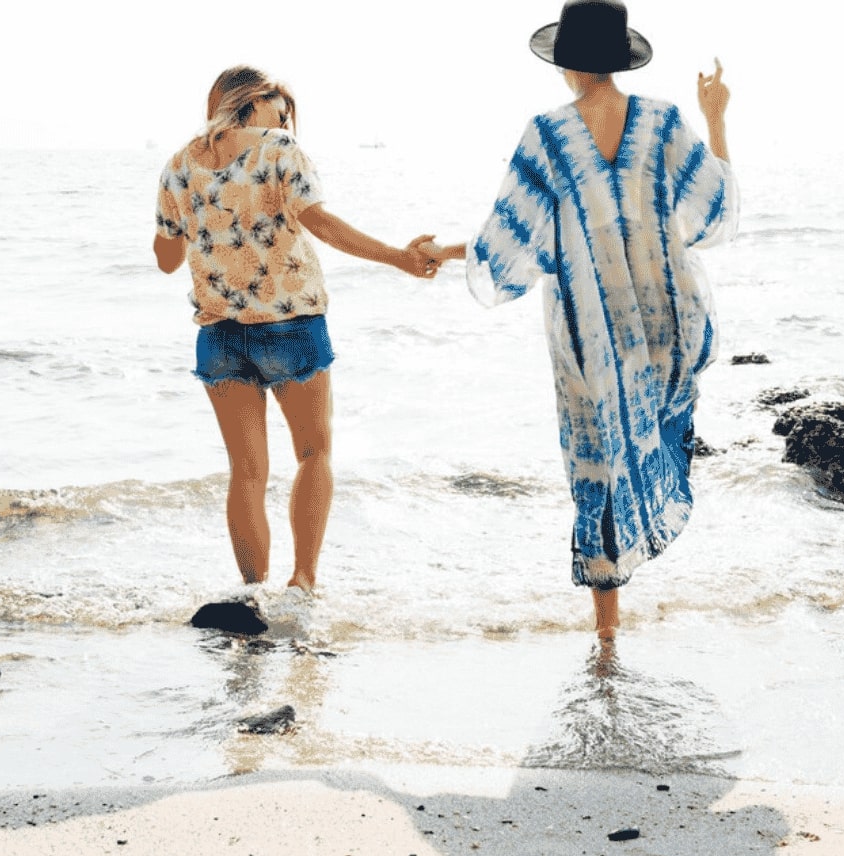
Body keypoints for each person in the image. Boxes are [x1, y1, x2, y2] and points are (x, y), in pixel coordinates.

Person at [423, 0, 737, 641]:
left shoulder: (547, 135)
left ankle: (607, 636)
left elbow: (507, 241)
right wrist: (715, 117)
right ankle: (637, 612)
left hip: (589, 330)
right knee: (650, 436)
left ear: (566, 61)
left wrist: (440, 251)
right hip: (664, 319)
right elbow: (715, 208)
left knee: (596, 460)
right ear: (618, 57)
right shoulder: (665, 121)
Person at [154, 65, 437, 594]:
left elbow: (167, 258)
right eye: (280, 111)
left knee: (246, 472)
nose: (284, 122)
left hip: (219, 335)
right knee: (313, 454)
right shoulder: (279, 148)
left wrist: (204, 221)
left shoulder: (178, 163)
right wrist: (398, 258)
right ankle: (303, 582)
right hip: (291, 326)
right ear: (255, 102)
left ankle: (252, 594)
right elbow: (321, 224)